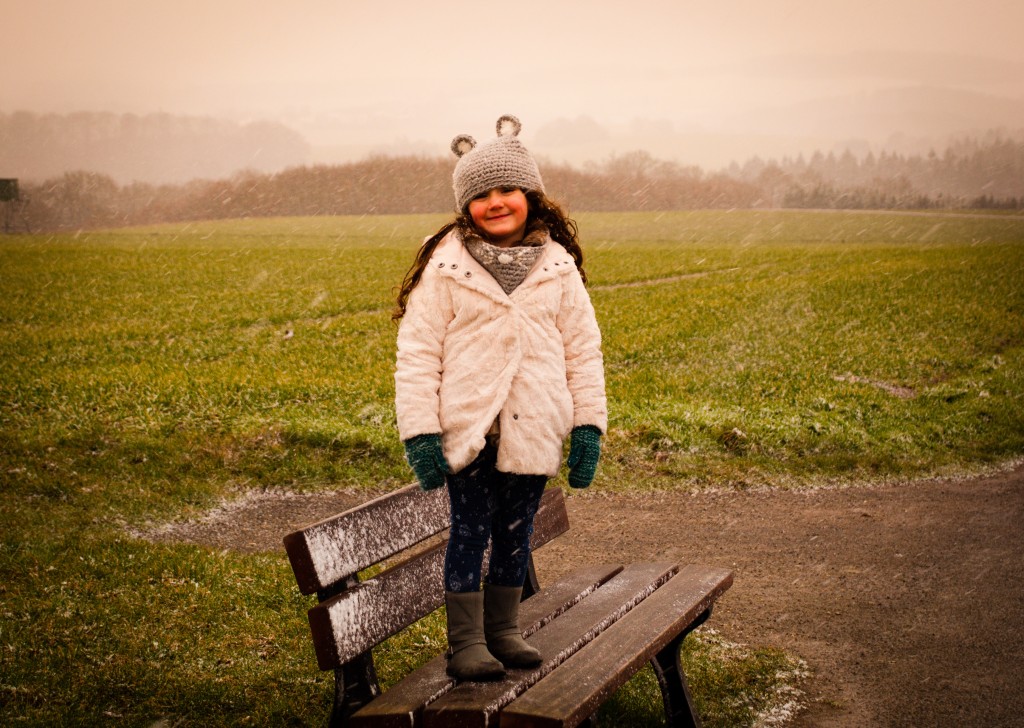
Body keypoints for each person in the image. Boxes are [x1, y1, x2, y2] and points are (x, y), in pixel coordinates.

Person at [392, 115, 607, 681]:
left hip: (534, 425)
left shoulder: (558, 268)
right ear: (466, 206)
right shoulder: (444, 267)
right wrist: (419, 433)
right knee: (469, 531)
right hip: (469, 431)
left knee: (516, 531)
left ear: (530, 195)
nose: (495, 202)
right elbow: (417, 355)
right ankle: (465, 641)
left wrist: (588, 427)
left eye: (506, 189)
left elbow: (584, 352)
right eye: (481, 194)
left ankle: (503, 631)